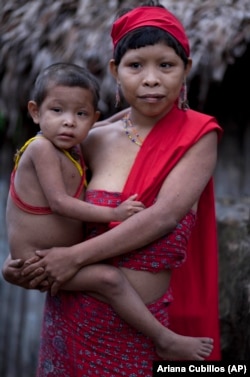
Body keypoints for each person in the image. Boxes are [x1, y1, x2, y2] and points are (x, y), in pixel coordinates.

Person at [2, 1, 223, 375]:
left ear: (186, 69)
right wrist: (17, 266)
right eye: (135, 65)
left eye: (166, 65)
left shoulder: (198, 135)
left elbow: (164, 217)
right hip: (70, 320)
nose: (151, 79)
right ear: (115, 72)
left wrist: (71, 258)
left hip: (140, 332)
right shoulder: (87, 139)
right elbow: (41, 208)